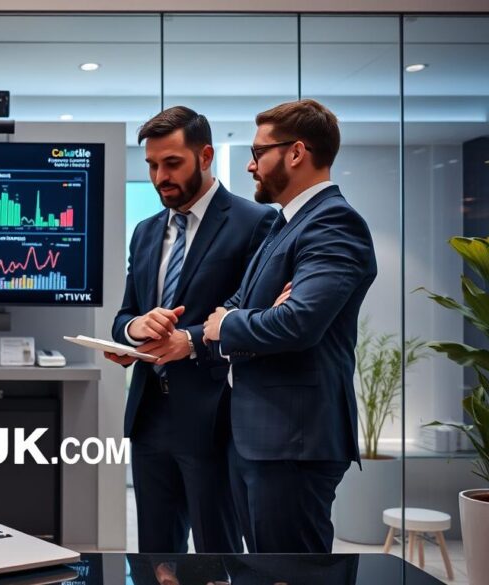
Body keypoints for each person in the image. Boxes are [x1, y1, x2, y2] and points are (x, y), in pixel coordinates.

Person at [203, 98, 377, 554]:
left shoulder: (334, 223)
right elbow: (243, 307)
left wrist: (236, 323)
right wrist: (219, 326)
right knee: (261, 570)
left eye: (259, 152)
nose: (249, 164)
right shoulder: (284, 224)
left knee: (290, 574)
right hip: (261, 439)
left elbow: (297, 322)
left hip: (294, 444)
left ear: (296, 152)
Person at [107, 106, 276, 553]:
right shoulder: (145, 232)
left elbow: (253, 317)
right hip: (149, 418)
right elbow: (125, 316)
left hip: (216, 418)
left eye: (172, 163)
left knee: (216, 559)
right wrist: (135, 330)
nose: (160, 175)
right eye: (152, 165)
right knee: (155, 559)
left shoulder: (255, 222)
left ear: (205, 156)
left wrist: (191, 340)